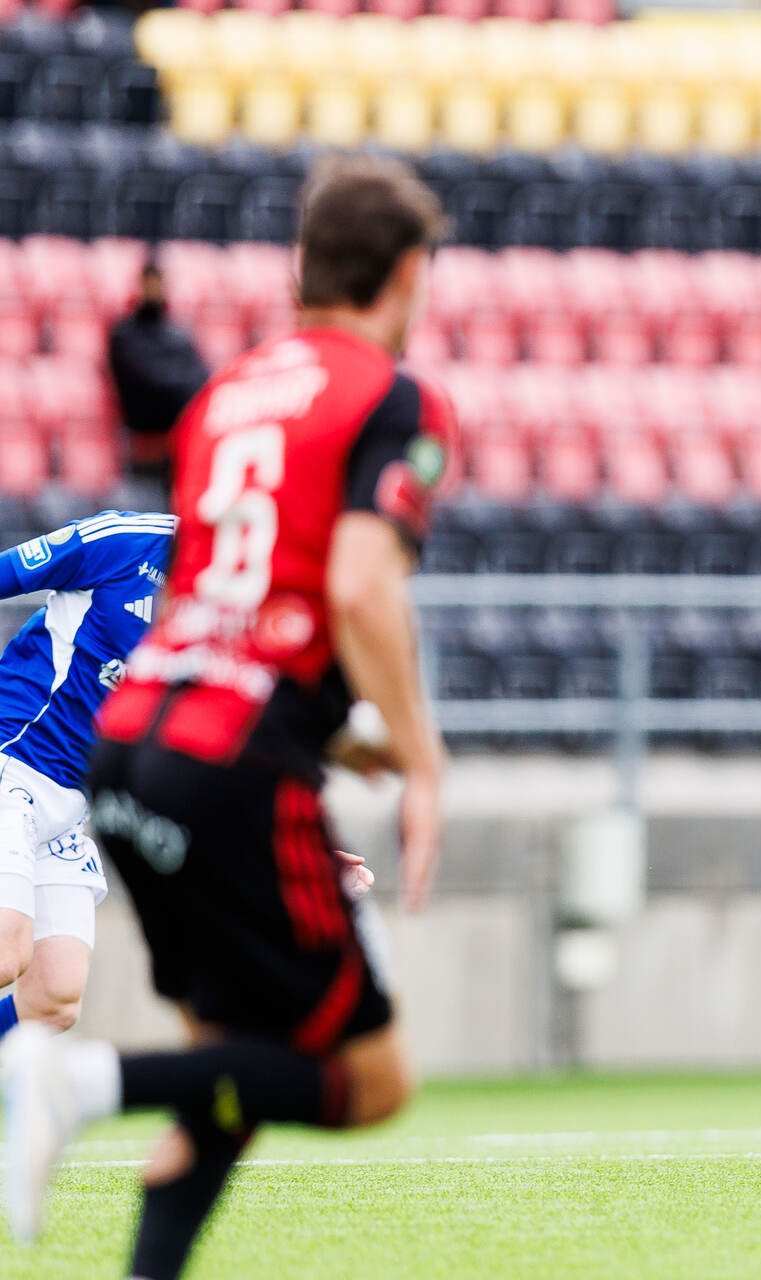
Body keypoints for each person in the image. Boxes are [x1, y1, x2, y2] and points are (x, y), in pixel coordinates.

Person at [1, 154, 457, 1280]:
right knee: (371, 1079)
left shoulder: (226, 396)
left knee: (225, 1072)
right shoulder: (392, 397)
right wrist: (421, 760)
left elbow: (215, 622)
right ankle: (75, 1082)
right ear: (408, 272)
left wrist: (312, 765)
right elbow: (358, 590)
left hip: (131, 757)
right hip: (222, 763)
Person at [0, 511, 176, 1043]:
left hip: (71, 807)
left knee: (55, 997)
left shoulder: (235, 605)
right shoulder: (125, 540)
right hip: (14, 762)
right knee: (7, 951)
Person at [107, 256, 211, 510]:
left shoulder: (178, 333)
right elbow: (146, 381)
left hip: (177, 449)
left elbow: (200, 377)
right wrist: (180, 387)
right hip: (141, 451)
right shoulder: (125, 334)